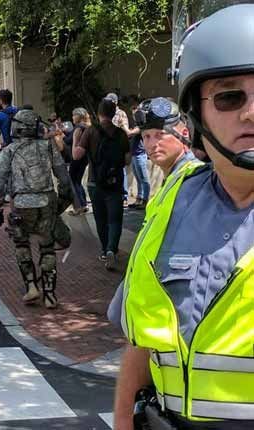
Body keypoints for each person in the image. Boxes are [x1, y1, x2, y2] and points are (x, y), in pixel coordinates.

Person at [108, 3, 254, 429]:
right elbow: (142, 347)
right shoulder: (172, 204)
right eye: (230, 97)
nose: (251, 112)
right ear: (196, 116)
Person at [0, 108, 72, 309]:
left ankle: (31, 287)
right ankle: (50, 295)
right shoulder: (47, 146)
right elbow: (63, 177)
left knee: (21, 245)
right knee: (47, 247)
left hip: (20, 204)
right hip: (46, 201)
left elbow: (0, 182)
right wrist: (61, 203)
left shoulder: (8, 151)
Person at [73, 98, 131, 270]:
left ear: (98, 113)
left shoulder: (90, 132)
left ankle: (105, 251)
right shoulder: (120, 134)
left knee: (100, 219)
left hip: (94, 182)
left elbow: (77, 155)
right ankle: (113, 248)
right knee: (115, 219)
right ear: (114, 113)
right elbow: (127, 160)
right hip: (115, 182)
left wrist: (76, 139)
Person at [136, 97, 200, 180]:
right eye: (146, 136)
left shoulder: (195, 177)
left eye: (161, 134)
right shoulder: (174, 177)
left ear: (184, 134)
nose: (152, 144)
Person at [127, 97, 151, 209]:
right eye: (133, 114)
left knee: (144, 179)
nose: (134, 116)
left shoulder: (141, 126)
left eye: (135, 113)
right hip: (134, 155)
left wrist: (122, 125)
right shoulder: (137, 125)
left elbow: (129, 133)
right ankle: (139, 199)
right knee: (138, 178)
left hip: (140, 155)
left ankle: (145, 200)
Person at [68, 108, 92, 215]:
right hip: (85, 157)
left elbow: (68, 140)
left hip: (77, 156)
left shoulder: (78, 127)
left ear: (79, 116)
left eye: (74, 115)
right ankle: (84, 204)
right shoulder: (88, 126)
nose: (72, 117)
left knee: (73, 181)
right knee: (77, 181)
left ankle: (79, 206)